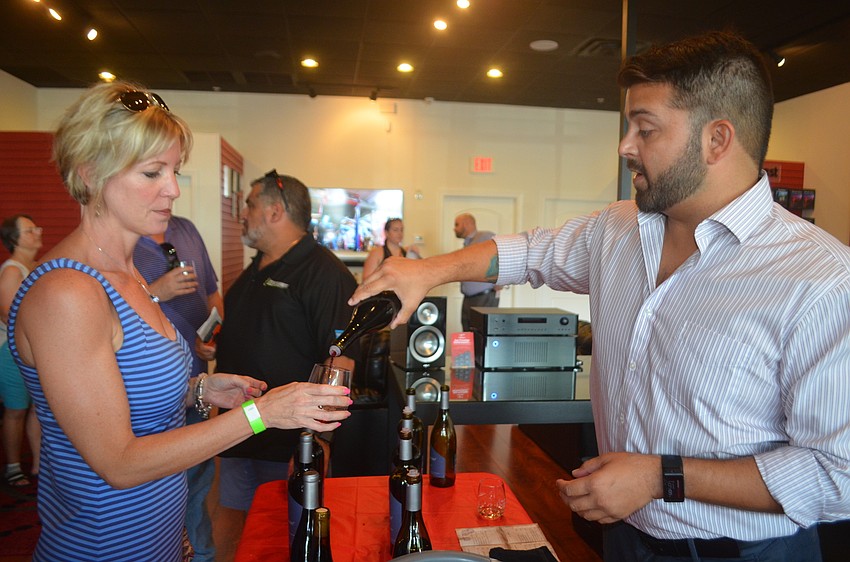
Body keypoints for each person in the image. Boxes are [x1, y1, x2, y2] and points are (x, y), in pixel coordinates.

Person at [351, 31, 850, 562]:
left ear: (717, 140)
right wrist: (427, 270)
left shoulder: (820, 280)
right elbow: (531, 252)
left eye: (645, 129)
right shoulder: (618, 228)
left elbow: (837, 475)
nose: (625, 146)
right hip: (626, 537)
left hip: (747, 552)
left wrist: (661, 477)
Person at [7, 81, 350, 562]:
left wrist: (200, 390)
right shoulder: (67, 292)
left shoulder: (130, 274)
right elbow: (119, 463)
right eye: (152, 172)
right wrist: (263, 414)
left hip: (159, 541)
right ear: (90, 173)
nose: (172, 189)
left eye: (174, 171)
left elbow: (121, 392)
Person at [215, 170, 359, 517]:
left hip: (285, 444)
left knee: (281, 533)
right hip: (237, 432)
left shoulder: (325, 273)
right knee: (241, 533)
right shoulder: (257, 267)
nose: (242, 214)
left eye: (250, 204)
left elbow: (340, 364)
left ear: (275, 211)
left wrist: (317, 441)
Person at [134, 215, 222, 562]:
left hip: (197, 384)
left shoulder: (186, 229)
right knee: (157, 490)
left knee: (198, 483)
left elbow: (212, 294)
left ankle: (202, 555)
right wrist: (156, 293)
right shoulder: (122, 238)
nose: (170, 191)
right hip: (149, 395)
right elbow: (109, 312)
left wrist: (211, 338)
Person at [0, 214, 42, 487]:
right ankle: (13, 467)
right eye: (30, 230)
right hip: (11, 350)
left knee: (39, 407)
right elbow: (8, 315)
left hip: (34, 348)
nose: (38, 232)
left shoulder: (36, 267)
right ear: (14, 239)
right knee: (16, 410)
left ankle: (38, 464)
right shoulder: (12, 271)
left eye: (36, 227)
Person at [453, 213, 499, 331]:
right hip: (468, 299)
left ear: (467, 224)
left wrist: (503, 281)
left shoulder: (485, 237)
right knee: (467, 334)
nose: (454, 228)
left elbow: (504, 253)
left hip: (484, 298)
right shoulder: (467, 243)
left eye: (457, 224)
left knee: (482, 333)